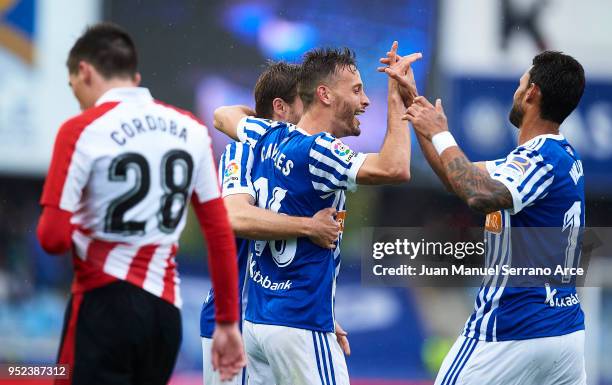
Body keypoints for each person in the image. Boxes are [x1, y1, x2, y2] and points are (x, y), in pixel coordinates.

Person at [36, 22, 244, 384]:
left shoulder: (80, 130)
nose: (78, 99)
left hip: (101, 305)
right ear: (134, 75)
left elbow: (51, 238)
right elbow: (218, 233)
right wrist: (227, 321)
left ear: (84, 71)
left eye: (73, 88)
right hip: (164, 315)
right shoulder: (192, 129)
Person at [213, 42, 421, 385]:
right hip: (299, 322)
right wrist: (398, 97)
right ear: (324, 95)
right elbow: (395, 167)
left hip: (259, 324)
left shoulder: (269, 134)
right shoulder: (320, 149)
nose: (366, 101)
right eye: (356, 90)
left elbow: (224, 115)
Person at [403, 51, 587, 384]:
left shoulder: (539, 159)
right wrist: (416, 111)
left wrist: (442, 134)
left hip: (512, 328)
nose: (516, 92)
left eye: (520, 85)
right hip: (564, 335)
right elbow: (457, 178)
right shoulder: (558, 156)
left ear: (532, 94)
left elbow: (479, 195)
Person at [200, 61, 342, 385]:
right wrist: (309, 226)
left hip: (273, 316)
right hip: (234, 319)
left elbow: (225, 113)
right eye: (304, 104)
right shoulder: (242, 151)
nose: (311, 114)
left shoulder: (296, 158)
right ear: (280, 108)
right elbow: (236, 217)